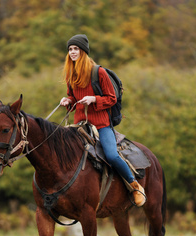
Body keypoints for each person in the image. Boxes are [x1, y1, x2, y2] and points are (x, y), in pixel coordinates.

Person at [60, 34, 146, 207]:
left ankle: (134, 185)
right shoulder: (71, 74)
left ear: (83, 51)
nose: (72, 52)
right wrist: (67, 101)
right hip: (79, 125)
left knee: (112, 155)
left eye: (76, 49)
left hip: (101, 124)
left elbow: (111, 98)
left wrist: (94, 99)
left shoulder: (98, 72)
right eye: (70, 49)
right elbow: (73, 97)